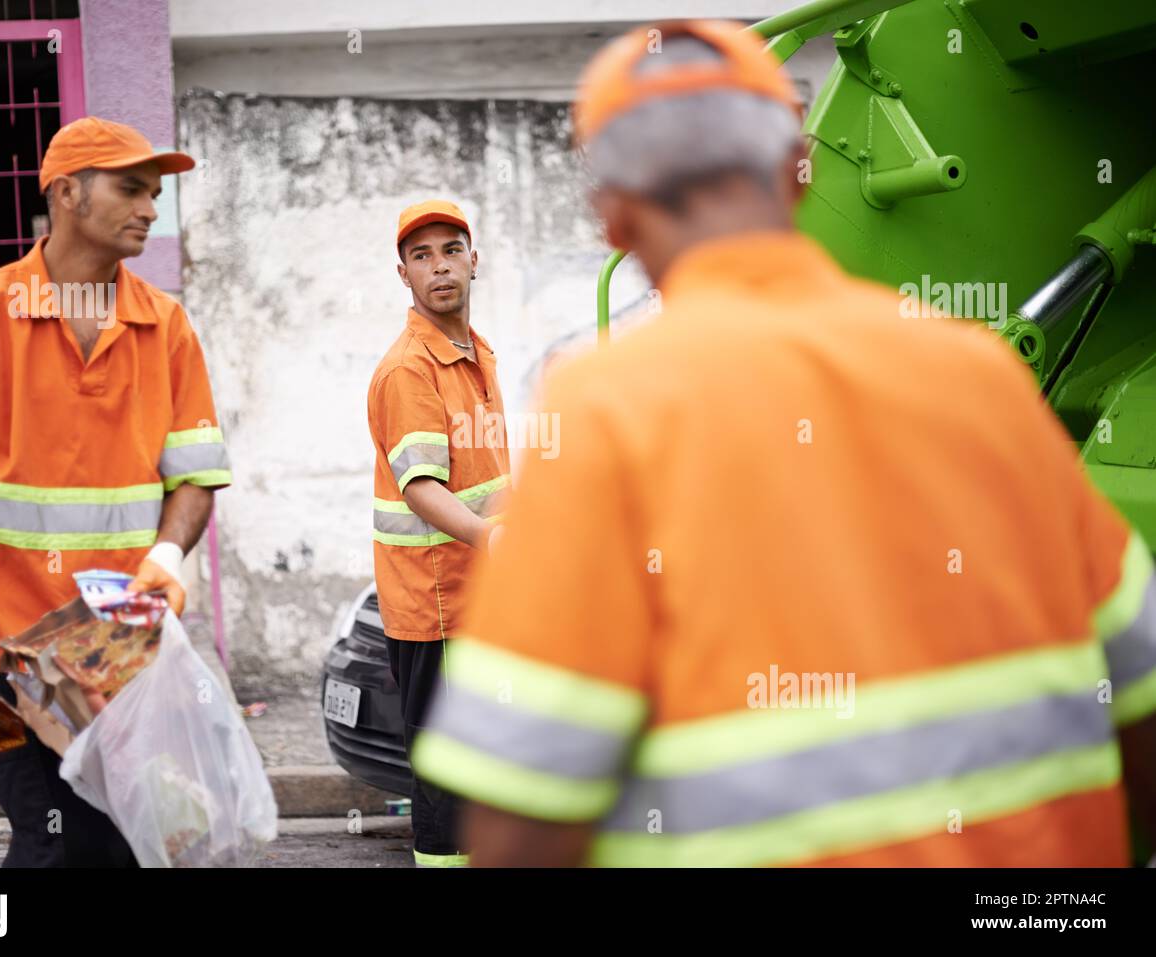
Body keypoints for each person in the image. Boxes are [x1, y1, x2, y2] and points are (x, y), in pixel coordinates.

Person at [411, 20, 1156, 866]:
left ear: (613, 215)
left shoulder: (604, 412)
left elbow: (521, 816)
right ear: (797, 171)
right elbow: (1138, 690)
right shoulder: (981, 375)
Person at [0, 116, 232, 867]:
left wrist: (168, 554)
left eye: (155, 193)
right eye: (131, 189)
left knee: (132, 841)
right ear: (67, 192)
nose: (150, 208)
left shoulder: (166, 328)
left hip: (120, 649)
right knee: (52, 842)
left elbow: (194, 475)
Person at [366, 200, 510, 866]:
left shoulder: (476, 354)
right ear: (403, 275)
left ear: (473, 259)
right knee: (446, 777)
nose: (439, 267)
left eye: (450, 250)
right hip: (435, 606)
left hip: (479, 595)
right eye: (421, 257)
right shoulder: (409, 369)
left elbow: (487, 471)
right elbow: (421, 487)